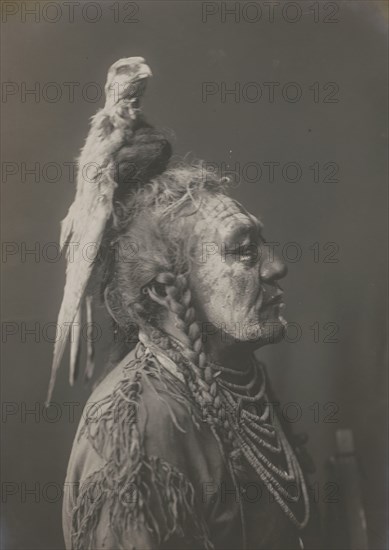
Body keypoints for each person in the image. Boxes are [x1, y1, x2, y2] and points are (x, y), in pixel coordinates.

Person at [56, 58, 318, 550]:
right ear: (163, 290)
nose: (276, 266)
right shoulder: (136, 431)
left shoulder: (234, 378)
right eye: (243, 250)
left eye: (262, 243)